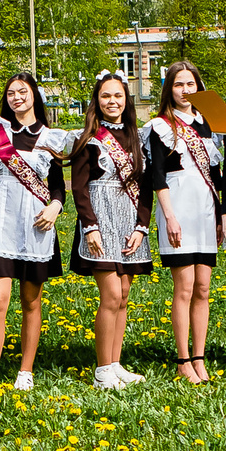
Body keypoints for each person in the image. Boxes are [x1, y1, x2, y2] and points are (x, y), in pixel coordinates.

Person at [0, 71, 72, 395]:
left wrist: (56, 206)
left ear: (34, 96)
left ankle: (25, 371)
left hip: (34, 224)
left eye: (23, 91)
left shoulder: (51, 137)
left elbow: (57, 185)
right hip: (1, 221)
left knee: (31, 301)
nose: (17, 97)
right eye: (12, 92)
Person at [143, 59, 226, 385]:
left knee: (203, 288)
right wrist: (169, 216)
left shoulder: (210, 123)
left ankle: (200, 357)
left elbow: (217, 174)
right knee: (185, 287)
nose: (185, 90)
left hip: (205, 211)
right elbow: (157, 177)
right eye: (178, 84)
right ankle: (182, 359)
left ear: (198, 86)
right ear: (169, 89)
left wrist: (222, 214)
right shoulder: (160, 125)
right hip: (176, 211)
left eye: (190, 84)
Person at [70, 71, 153, 389]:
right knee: (111, 294)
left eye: (118, 95)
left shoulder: (136, 138)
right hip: (100, 224)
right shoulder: (89, 139)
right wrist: (89, 227)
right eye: (106, 96)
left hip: (129, 224)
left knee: (124, 296)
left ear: (126, 100)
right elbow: (79, 188)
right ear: (97, 101)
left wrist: (141, 227)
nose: (112, 101)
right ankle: (102, 370)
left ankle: (115, 364)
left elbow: (146, 187)